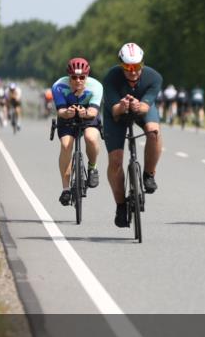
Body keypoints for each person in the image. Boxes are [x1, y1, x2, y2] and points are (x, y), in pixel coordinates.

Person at [102, 42, 163, 228]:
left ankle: (148, 174)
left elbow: (146, 106)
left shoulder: (153, 77)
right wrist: (122, 106)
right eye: (128, 68)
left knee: (153, 131)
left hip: (141, 107)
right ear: (121, 66)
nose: (133, 72)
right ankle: (120, 206)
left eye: (137, 67)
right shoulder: (111, 77)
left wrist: (139, 106)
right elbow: (114, 110)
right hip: (117, 113)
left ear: (142, 64)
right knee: (115, 160)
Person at [52, 58, 103, 206]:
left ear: (87, 76)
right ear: (69, 76)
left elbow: (93, 111)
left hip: (88, 115)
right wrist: (67, 112)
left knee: (91, 138)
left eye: (82, 77)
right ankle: (66, 189)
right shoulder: (59, 86)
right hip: (67, 116)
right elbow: (60, 111)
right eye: (74, 77)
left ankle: (92, 167)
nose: (78, 81)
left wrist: (84, 113)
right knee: (66, 144)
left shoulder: (96, 86)